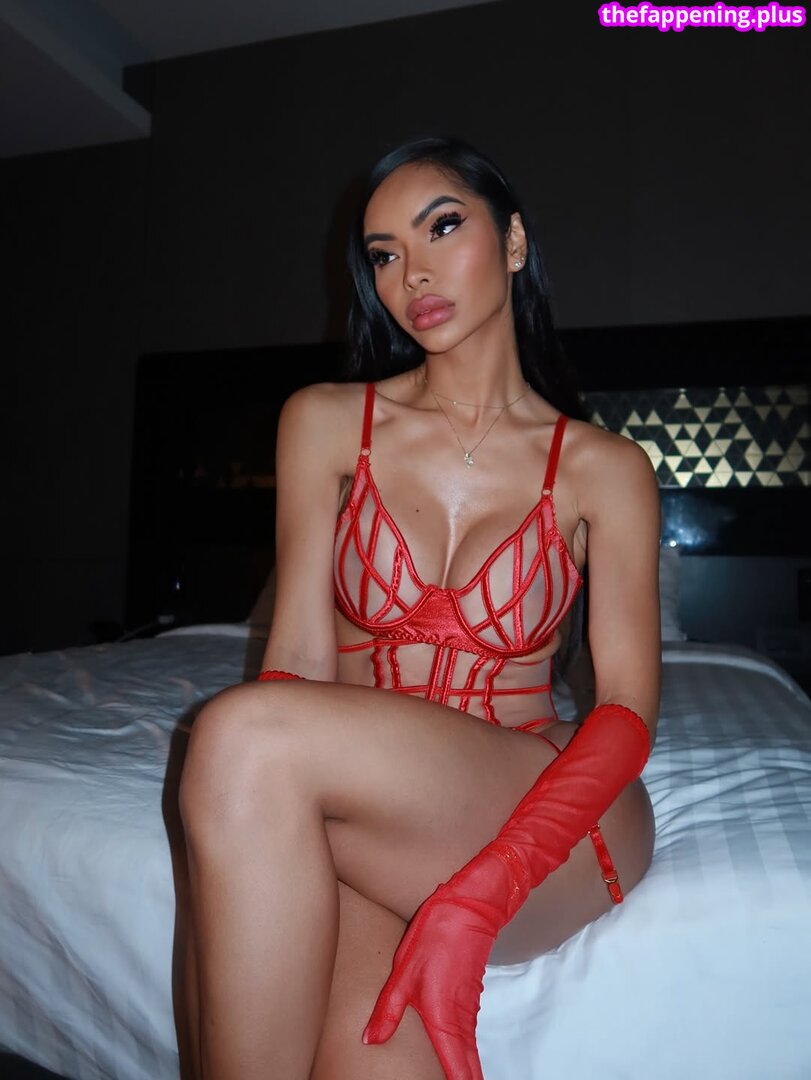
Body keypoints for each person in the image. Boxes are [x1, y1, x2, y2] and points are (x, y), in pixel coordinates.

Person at [178, 137, 660, 1080]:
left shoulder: (605, 468)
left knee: (237, 735)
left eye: (441, 228)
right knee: (368, 1061)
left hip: (549, 818)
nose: (413, 274)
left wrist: (480, 896)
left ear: (513, 243)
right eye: (384, 254)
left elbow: (625, 711)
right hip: (371, 815)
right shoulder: (322, 422)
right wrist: (291, 807)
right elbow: (299, 664)